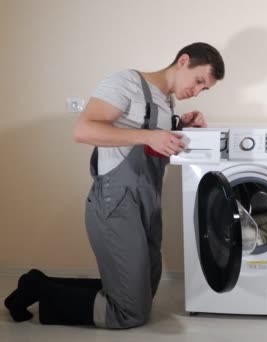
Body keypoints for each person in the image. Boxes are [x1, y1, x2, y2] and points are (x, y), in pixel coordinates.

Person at [4, 42, 225, 328]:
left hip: (147, 200)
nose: (196, 92)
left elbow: (149, 144)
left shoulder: (165, 101)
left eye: (203, 89)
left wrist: (180, 129)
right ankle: (37, 291)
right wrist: (148, 136)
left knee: (144, 292)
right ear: (183, 61)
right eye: (198, 82)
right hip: (116, 201)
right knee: (128, 312)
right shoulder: (126, 83)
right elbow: (84, 130)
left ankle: (38, 282)